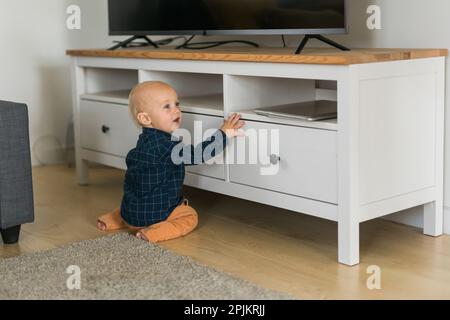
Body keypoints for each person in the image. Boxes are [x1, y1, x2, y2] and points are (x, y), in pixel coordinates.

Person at [97, 81, 245, 243]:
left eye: (177, 104)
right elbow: (199, 154)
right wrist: (224, 133)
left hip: (131, 211)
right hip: (155, 215)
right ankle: (152, 233)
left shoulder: (142, 144)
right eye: (166, 106)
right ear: (145, 118)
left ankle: (115, 219)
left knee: (135, 204)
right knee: (189, 216)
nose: (176, 110)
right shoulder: (167, 148)